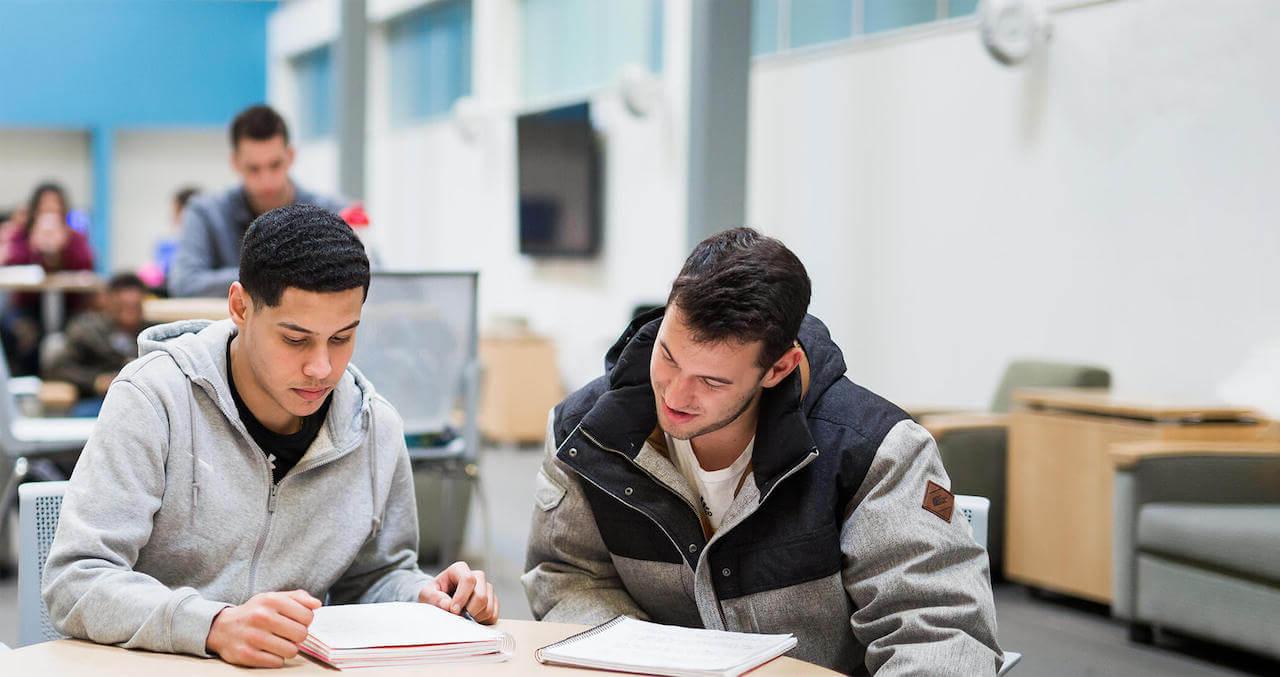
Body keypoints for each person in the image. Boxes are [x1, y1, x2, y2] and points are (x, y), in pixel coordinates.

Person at [523, 228, 1002, 674]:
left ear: (778, 369)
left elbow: (938, 631)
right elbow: (568, 575)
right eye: (668, 355)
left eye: (712, 380)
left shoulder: (876, 453)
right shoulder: (583, 433)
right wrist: (637, 660)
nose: (674, 394)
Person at [44, 204, 498, 668]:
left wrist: (422, 595)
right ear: (241, 307)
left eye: (341, 338)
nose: (321, 369)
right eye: (295, 340)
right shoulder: (153, 399)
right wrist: (213, 626)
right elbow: (76, 581)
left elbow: (371, 578)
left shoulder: (374, 428)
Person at [168, 105, 345, 298]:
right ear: (235, 162)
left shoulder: (331, 213)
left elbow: (372, 278)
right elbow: (185, 283)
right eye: (254, 168)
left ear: (291, 156)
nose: (266, 180)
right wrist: (283, 274)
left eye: (275, 165)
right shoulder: (205, 213)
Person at [1, 182, 95, 375]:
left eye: (55, 204)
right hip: (28, 306)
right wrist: (34, 248)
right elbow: (11, 262)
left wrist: (61, 250)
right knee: (18, 332)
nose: (50, 210)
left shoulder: (74, 237)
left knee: (80, 333)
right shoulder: (22, 236)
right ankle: (25, 377)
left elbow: (87, 264)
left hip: (69, 307)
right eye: (45, 205)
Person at [42, 272, 149, 415]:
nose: (129, 312)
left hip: (144, 403)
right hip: (98, 401)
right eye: (123, 306)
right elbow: (59, 367)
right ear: (108, 300)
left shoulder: (151, 334)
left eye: (134, 306)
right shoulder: (87, 331)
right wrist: (96, 381)